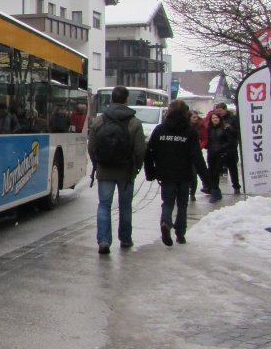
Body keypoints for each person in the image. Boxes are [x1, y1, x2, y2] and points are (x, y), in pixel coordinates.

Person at [88, 85, 147, 254]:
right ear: (126, 99)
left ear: (111, 99)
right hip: (126, 171)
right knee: (125, 205)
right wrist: (137, 166)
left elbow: (91, 147)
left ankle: (104, 240)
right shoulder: (134, 122)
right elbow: (140, 149)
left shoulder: (99, 121)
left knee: (104, 205)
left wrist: (97, 163)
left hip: (105, 170)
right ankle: (125, 238)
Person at [144, 100, 210, 246]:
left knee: (167, 202)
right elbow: (197, 157)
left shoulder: (160, 130)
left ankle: (165, 222)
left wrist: (150, 172)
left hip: (165, 173)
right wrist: (207, 180)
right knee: (182, 204)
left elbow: (148, 152)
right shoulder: (190, 132)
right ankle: (180, 233)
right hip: (184, 173)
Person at [210, 102, 241, 194]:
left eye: (220, 111)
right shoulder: (216, 119)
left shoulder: (233, 119)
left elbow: (237, 133)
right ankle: (215, 188)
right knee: (216, 169)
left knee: (232, 168)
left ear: (225, 109)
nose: (219, 113)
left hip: (230, 148)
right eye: (217, 111)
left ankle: (236, 186)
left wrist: (230, 128)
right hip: (219, 148)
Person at [205, 112, 236, 202]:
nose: (215, 119)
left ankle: (215, 191)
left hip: (221, 154)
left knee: (216, 172)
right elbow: (207, 140)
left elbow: (230, 140)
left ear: (219, 119)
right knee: (211, 172)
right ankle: (215, 190)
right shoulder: (209, 129)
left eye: (216, 118)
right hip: (211, 153)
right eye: (213, 118)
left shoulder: (225, 128)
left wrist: (222, 148)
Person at [189, 110, 208, 200]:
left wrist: (200, 146)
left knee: (198, 172)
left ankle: (193, 192)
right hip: (186, 154)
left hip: (196, 153)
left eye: (196, 117)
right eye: (194, 117)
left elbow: (205, 138)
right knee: (191, 174)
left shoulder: (201, 126)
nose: (196, 119)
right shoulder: (184, 126)